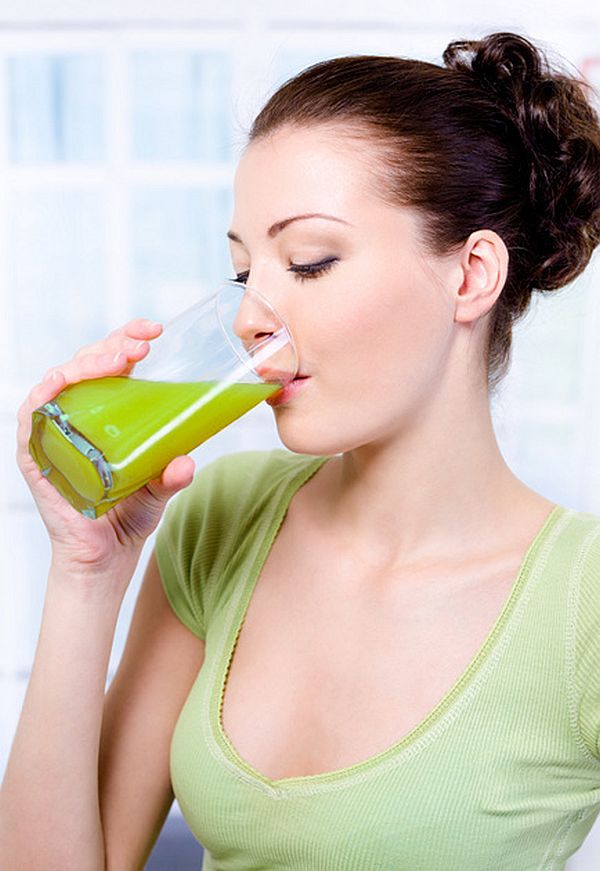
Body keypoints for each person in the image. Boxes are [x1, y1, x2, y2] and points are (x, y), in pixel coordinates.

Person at [1, 29, 600, 871]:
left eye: (309, 261)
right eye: (247, 274)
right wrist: (85, 571)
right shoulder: (227, 514)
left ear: (469, 276)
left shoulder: (582, 606)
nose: (252, 315)